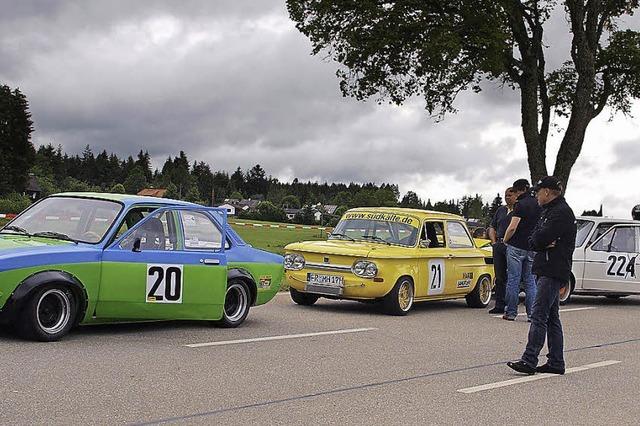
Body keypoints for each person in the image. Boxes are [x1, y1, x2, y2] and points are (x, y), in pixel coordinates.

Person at [507, 176, 577, 375]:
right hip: (547, 266)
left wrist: (540, 240)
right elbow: (534, 238)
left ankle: (529, 360)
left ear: (547, 192)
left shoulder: (560, 213)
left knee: (539, 315)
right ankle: (556, 362)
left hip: (552, 269)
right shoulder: (550, 211)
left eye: (538, 192)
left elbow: (541, 237)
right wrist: (539, 240)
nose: (536, 195)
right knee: (552, 317)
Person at [502, 178, 541, 321]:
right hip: (532, 247)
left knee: (513, 280)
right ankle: (532, 314)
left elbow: (513, 227)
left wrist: (506, 240)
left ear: (520, 190)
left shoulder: (520, 205)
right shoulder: (538, 203)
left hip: (516, 246)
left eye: (516, 191)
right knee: (531, 281)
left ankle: (511, 312)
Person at [487, 187, 516, 314]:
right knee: (499, 276)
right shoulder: (501, 210)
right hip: (498, 245)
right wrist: (494, 242)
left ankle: (511, 304)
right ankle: (499, 304)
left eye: (510, 195)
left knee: (513, 276)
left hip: (512, 245)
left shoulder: (519, 210)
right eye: (506, 195)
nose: (507, 197)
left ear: (515, 195)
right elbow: (492, 226)